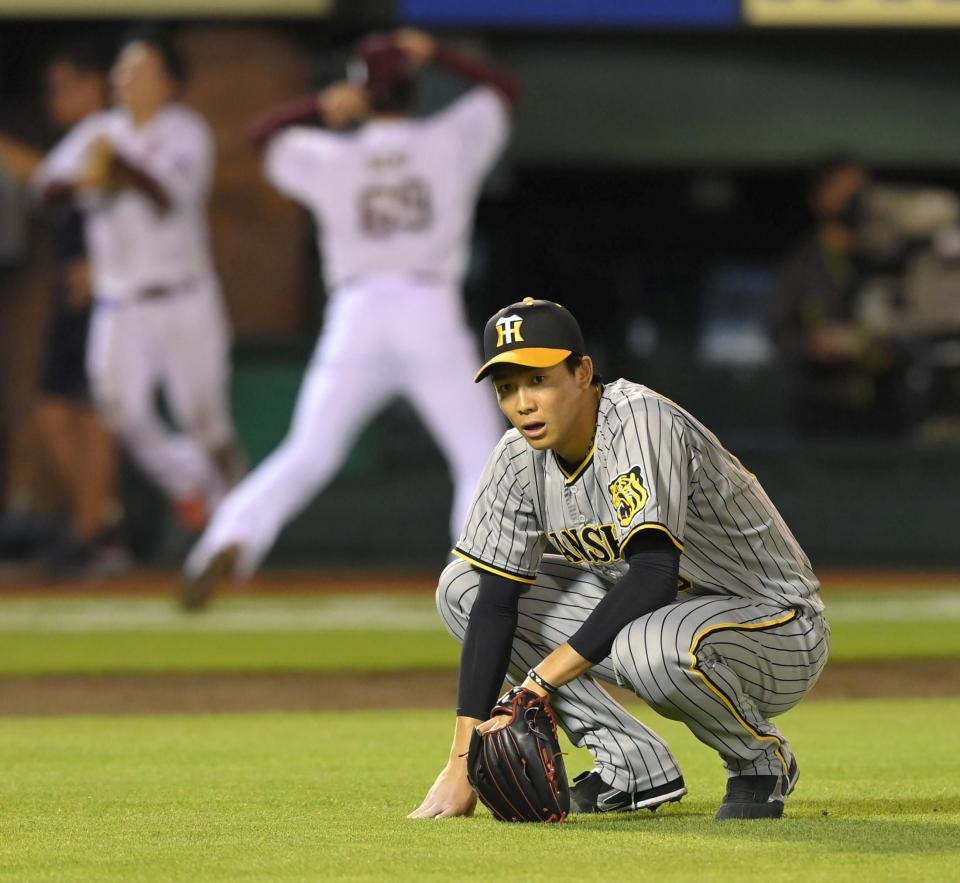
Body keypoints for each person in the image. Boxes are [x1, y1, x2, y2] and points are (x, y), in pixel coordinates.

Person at [410, 298, 829, 821]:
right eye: (507, 388)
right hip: (660, 621)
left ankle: (759, 763)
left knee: (645, 644)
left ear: (582, 372)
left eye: (538, 381)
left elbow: (653, 574)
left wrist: (538, 684)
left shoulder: (639, 422)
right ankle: (631, 768)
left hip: (774, 625)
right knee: (463, 589)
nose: (523, 404)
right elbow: (494, 605)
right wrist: (462, 763)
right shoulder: (517, 458)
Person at [180, 29, 515, 609]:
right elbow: (503, 90)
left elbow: (260, 136)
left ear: (362, 93)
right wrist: (439, 56)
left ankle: (229, 536)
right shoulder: (448, 139)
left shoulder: (331, 154)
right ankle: (482, 583)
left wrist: (322, 105)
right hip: (427, 306)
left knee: (308, 453)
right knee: (478, 456)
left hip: (356, 313)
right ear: (413, 90)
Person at [31, 29, 243, 533]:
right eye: (123, 71)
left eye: (140, 70)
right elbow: (46, 189)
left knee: (206, 423)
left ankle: (239, 514)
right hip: (120, 302)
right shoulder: (99, 131)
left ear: (168, 83)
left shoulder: (186, 130)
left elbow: (168, 196)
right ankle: (190, 485)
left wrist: (116, 166)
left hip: (184, 297)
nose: (125, 80)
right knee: (120, 408)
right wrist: (89, 174)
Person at [0, 44, 121, 572]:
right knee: (53, 411)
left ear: (94, 84)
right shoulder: (83, 139)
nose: (55, 98)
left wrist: (103, 263)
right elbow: (51, 181)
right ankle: (93, 526)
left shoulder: (113, 134)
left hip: (110, 290)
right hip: (74, 286)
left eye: (64, 85)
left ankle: (94, 533)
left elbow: (91, 190)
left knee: (94, 413)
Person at [770, 156, 899, 434]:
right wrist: (813, 345)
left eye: (859, 189)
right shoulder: (800, 266)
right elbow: (779, 332)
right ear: (818, 198)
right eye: (840, 188)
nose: (852, 197)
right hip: (820, 414)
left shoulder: (890, 258)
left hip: (886, 413)